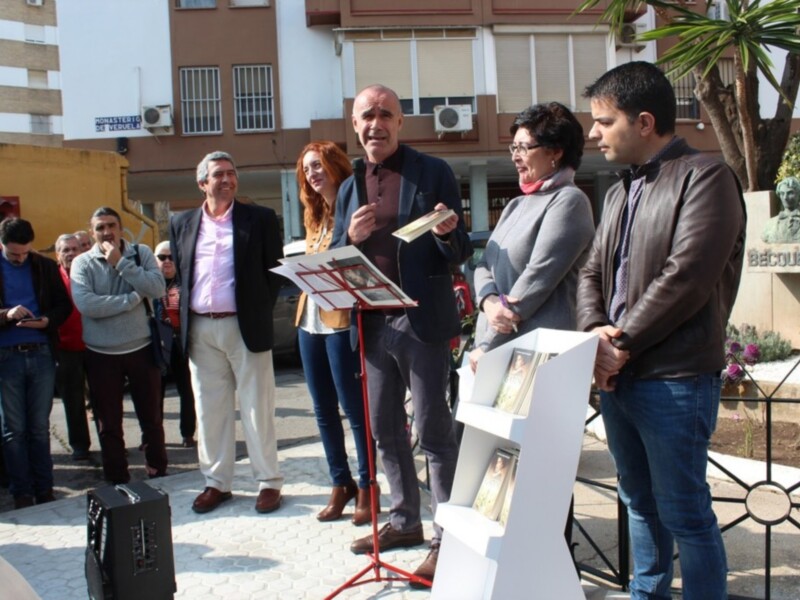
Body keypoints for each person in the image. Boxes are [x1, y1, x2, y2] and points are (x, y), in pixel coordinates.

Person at [577, 61, 746, 600]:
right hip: (620, 378)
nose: (593, 133)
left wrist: (620, 342)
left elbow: (688, 276)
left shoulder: (706, 177)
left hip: (675, 378)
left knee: (686, 513)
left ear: (644, 122)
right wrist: (596, 333)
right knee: (638, 502)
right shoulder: (618, 192)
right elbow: (591, 272)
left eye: (604, 121)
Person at [332, 84, 472, 586]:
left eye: (385, 114)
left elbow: (460, 249)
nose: (376, 124)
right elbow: (335, 251)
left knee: (433, 433)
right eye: (367, 116)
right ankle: (404, 520)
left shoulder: (432, 172)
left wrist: (446, 234)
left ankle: (446, 539)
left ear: (400, 122)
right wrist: (349, 238)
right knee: (384, 431)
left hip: (420, 320)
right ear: (355, 124)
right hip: (370, 324)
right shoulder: (349, 185)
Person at [170, 151, 284, 515]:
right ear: (202, 183)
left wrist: (255, 310)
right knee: (209, 409)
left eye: (231, 173)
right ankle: (216, 483)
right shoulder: (181, 222)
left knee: (257, 407)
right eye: (218, 174)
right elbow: (181, 274)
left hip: (244, 325)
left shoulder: (260, 218)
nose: (227, 180)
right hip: (200, 328)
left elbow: (274, 273)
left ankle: (268, 482)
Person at [467, 102, 595, 371]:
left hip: (538, 355)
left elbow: (536, 279)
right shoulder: (515, 205)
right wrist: (488, 301)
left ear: (556, 151)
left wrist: (488, 344)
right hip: (497, 349)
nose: (515, 156)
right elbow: (483, 264)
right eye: (513, 147)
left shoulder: (569, 201)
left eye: (524, 148)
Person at [295, 141, 375, 524]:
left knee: (354, 408)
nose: (313, 173)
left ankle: (368, 485)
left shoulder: (352, 203)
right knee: (323, 409)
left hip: (342, 318)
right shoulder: (313, 213)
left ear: (334, 165)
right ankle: (340, 483)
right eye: (307, 168)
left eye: (319, 165)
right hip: (308, 318)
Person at [70, 207, 168, 485]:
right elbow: (87, 305)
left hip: (142, 349)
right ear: (92, 232)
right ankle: (117, 479)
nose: (107, 232)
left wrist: (121, 263)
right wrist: (132, 299)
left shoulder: (140, 254)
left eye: (111, 225)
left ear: (121, 227)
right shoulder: (82, 263)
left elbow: (157, 288)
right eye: (100, 227)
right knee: (109, 424)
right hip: (101, 354)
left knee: (152, 419)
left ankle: (159, 472)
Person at [0, 218, 71, 509]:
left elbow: (63, 306)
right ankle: (22, 492)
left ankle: (45, 490)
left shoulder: (44, 266)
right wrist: (6, 314)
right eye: (13, 254)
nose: (20, 259)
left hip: (41, 352)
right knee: (13, 429)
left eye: (24, 253)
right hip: (6, 356)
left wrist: (47, 321)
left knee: (39, 427)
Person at [153, 240, 196, 449]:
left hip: (181, 344)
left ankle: (188, 434)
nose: (167, 261)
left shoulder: (187, 283)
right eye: (162, 257)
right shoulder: (150, 284)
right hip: (157, 346)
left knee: (187, 391)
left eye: (172, 257)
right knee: (154, 394)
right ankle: (152, 436)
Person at [54, 233, 92, 460]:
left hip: (95, 344)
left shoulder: (90, 272)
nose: (70, 254)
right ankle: (80, 445)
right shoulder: (52, 277)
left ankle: (111, 444)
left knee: (104, 398)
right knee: (73, 399)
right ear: (57, 255)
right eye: (65, 250)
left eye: (74, 249)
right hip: (65, 348)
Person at [761, 176, 800, 243]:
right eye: (782, 193)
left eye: (790, 193)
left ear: (798, 194)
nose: (785, 197)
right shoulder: (770, 224)